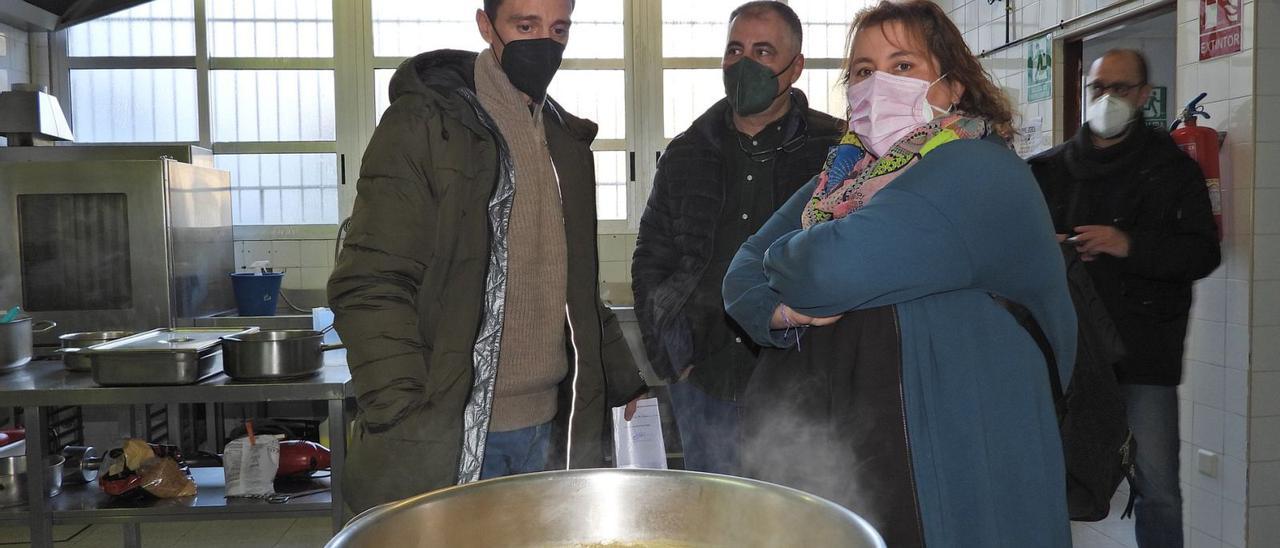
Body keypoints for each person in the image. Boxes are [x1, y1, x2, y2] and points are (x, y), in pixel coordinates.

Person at [720, 1, 1077, 545]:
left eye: (903, 65)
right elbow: (740, 273)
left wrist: (790, 260)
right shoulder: (848, 175)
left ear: (952, 86)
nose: (878, 85)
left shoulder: (976, 169)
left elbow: (826, 270)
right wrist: (781, 309)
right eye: (863, 71)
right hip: (870, 446)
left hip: (961, 453)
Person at [328, 0, 648, 514]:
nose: (544, 43)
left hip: (551, 429)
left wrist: (624, 382)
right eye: (525, 25)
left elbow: (575, 289)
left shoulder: (563, 140)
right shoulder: (425, 125)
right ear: (485, 26)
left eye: (558, 28)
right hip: (453, 432)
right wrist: (404, 411)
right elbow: (370, 282)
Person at [631, 0, 843, 476]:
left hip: (802, 384)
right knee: (713, 509)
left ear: (795, 68)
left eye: (763, 52)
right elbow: (651, 258)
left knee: (796, 510)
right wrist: (671, 357)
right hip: (703, 381)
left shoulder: (835, 151)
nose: (744, 64)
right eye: (735, 50)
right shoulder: (687, 152)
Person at [1030, 49, 1220, 548]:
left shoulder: (1172, 170)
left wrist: (1126, 244)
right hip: (1065, 351)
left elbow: (1202, 253)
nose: (1107, 98)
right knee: (1046, 475)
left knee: (1158, 488)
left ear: (1142, 96)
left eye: (1120, 88)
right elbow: (1010, 251)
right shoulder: (1048, 170)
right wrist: (1045, 246)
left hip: (1143, 353)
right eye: (1099, 88)